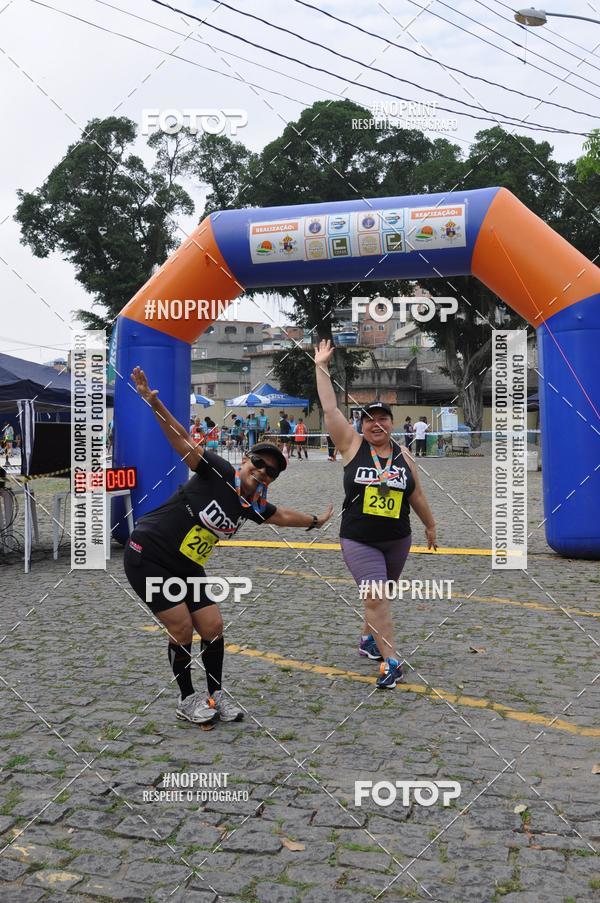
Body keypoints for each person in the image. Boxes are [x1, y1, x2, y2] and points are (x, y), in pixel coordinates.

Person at [124, 367, 333, 725]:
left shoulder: (250, 505)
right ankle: (187, 699)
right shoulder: (218, 470)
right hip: (149, 554)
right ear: (247, 460)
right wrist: (153, 402)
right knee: (181, 629)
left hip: (188, 565)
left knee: (213, 627)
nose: (262, 471)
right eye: (259, 463)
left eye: (270, 471)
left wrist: (315, 521)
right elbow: (181, 440)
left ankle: (215, 693)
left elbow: (280, 515)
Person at [315, 340, 437, 689]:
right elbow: (329, 409)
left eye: (382, 418)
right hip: (359, 539)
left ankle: (369, 640)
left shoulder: (403, 456)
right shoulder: (351, 446)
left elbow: (416, 493)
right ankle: (392, 661)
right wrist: (321, 367)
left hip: (398, 540)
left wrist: (430, 524)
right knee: (376, 596)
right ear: (362, 425)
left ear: (392, 424)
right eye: (369, 419)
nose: (376, 424)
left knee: (381, 595)